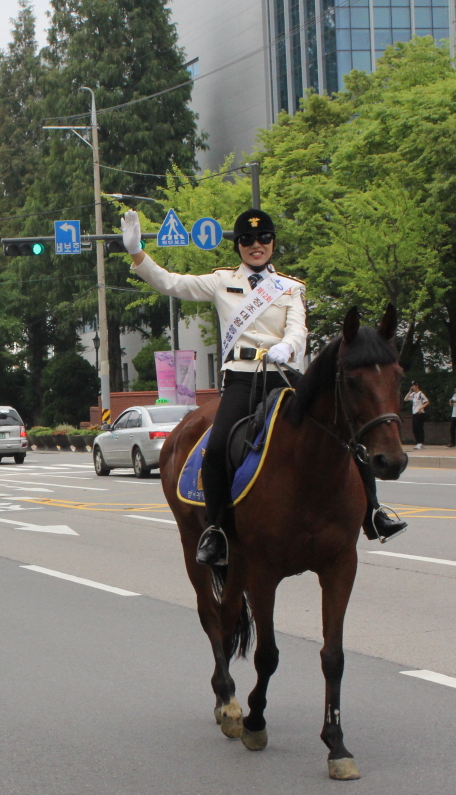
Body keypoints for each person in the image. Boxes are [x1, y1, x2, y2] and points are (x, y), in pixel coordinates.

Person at [122, 208, 404, 565]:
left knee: (345, 432)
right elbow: (171, 283)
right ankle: (218, 530)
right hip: (242, 375)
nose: (257, 246)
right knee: (220, 442)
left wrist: (288, 346)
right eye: (247, 240)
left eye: (264, 239)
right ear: (238, 245)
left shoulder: (290, 287)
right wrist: (137, 253)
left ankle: (374, 512)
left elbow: (298, 327)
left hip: (284, 372)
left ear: (273, 243)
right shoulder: (221, 281)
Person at [404, 382, 430, 451]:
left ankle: (421, 443)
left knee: (419, 428)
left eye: (414, 386)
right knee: (414, 428)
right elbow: (406, 399)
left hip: (420, 413)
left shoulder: (421, 394)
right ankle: (418, 442)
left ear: (417, 386)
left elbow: (427, 402)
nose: (413, 387)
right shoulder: (413, 394)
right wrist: (410, 392)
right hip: (414, 413)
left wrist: (421, 408)